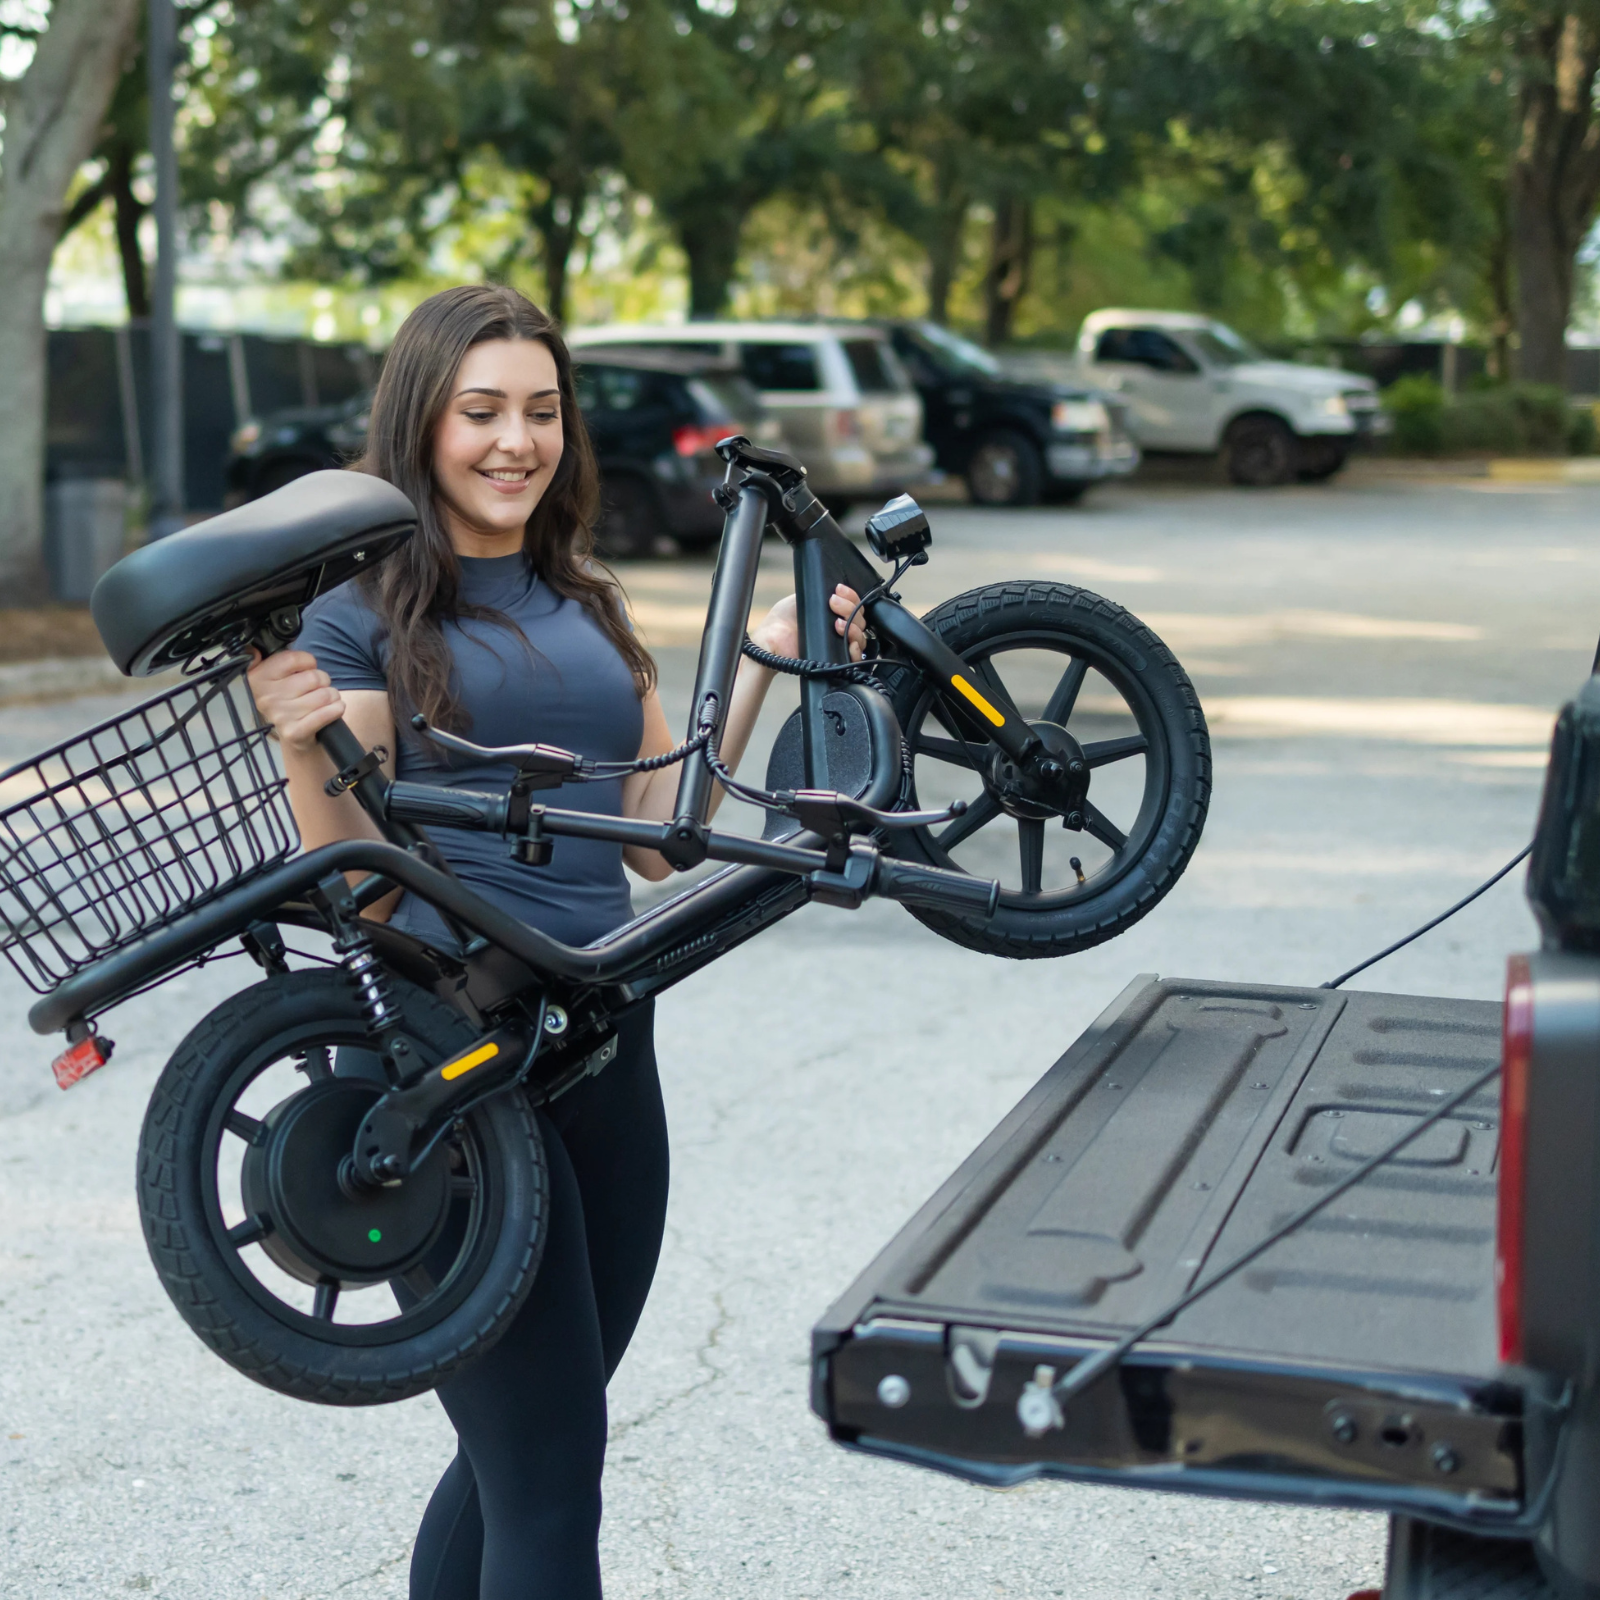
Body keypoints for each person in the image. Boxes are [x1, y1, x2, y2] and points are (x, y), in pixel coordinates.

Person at [247, 283, 864, 1600]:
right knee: (549, 1476)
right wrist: (308, 742)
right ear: (421, 425)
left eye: (540, 411)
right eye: (481, 413)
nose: (514, 442)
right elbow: (351, 882)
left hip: (600, 1041)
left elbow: (652, 833)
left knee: (526, 1459)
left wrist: (762, 655)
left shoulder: (580, 597)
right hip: (447, 1068)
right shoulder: (356, 613)